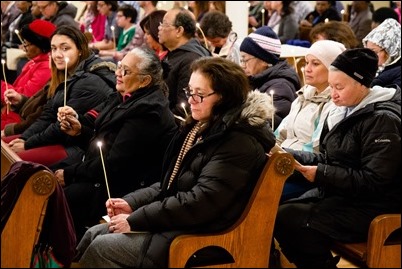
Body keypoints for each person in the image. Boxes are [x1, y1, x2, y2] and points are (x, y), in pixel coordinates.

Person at [74, 56, 276, 268]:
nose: (190, 100)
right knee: (93, 233)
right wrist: (132, 203)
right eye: (190, 92)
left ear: (225, 98)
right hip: (179, 223)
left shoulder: (237, 142)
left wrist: (135, 220)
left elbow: (200, 202)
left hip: (201, 236)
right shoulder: (202, 127)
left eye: (199, 95)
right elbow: (171, 183)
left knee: (102, 247)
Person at [274, 48, 401, 268]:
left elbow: (375, 180)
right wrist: (288, 155)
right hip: (345, 195)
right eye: (331, 86)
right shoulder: (342, 111)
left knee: (295, 221)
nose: (332, 94)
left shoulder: (382, 120)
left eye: (339, 87)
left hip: (376, 205)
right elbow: (328, 157)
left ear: (362, 84)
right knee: (280, 214)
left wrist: (321, 174)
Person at [54, 47, 178, 241]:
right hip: (98, 172)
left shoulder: (149, 112)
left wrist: (70, 174)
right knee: (42, 174)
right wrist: (79, 131)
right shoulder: (123, 95)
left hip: (118, 188)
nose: (118, 74)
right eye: (120, 67)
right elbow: (101, 139)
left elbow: (114, 163)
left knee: (56, 197)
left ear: (145, 80)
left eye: (126, 71)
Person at [5, 25, 115, 167]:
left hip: (77, 148)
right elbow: (48, 114)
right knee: (5, 148)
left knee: (12, 162)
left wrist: (27, 144)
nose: (57, 54)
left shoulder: (90, 81)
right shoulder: (66, 74)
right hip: (56, 138)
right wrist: (24, 138)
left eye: (65, 48)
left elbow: (62, 127)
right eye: (54, 48)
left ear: (80, 50)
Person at [275, 40, 346, 202]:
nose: (307, 69)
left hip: (302, 172)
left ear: (332, 69)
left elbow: (316, 149)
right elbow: (280, 134)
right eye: (306, 63)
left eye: (315, 64)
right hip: (282, 163)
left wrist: (282, 156)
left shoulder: (334, 104)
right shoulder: (302, 96)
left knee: (262, 195)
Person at [240, 26, 300, 130]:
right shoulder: (256, 79)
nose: (243, 65)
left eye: (245, 60)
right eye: (241, 60)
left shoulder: (280, 87)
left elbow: (271, 124)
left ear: (264, 60)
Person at [1, 19, 56, 130]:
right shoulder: (34, 61)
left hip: (19, 118)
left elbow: (24, 97)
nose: (24, 48)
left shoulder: (46, 68)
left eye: (26, 44)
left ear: (40, 45)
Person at [158, 7, 211, 121]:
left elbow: (185, 110)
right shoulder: (175, 53)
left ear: (179, 31)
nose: (159, 28)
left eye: (164, 24)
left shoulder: (191, 60)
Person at [363, 18, 401, 88]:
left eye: (374, 52)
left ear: (390, 51)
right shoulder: (377, 68)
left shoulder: (397, 73)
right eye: (367, 51)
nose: (369, 56)